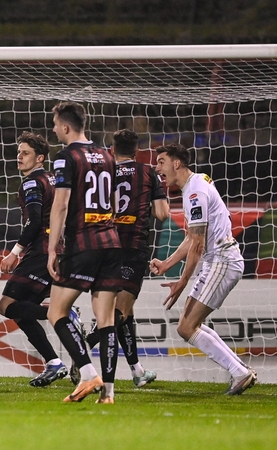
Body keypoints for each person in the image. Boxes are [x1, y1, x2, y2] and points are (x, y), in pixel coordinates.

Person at [150, 143, 256, 395]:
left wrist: (182, 281)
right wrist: (167, 264)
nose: (157, 168)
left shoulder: (195, 192)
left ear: (177, 163)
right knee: (186, 326)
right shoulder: (195, 184)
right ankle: (240, 370)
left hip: (222, 260)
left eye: (162, 162)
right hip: (216, 260)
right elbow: (192, 237)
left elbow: (197, 244)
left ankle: (239, 372)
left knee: (188, 327)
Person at [80, 129, 169, 388]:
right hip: (133, 245)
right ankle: (85, 345)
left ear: (112, 150)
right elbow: (162, 214)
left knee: (125, 311)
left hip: (104, 245)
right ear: (136, 151)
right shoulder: (148, 173)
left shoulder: (103, 172)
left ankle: (137, 371)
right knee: (120, 309)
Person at [46, 101, 122, 404]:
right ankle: (109, 394)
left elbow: (61, 205)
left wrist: (53, 248)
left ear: (66, 126)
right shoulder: (108, 155)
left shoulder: (66, 157)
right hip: (111, 242)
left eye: (55, 124)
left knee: (56, 312)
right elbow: (113, 202)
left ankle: (89, 374)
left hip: (83, 243)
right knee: (107, 321)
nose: (54, 129)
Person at [0, 131, 83, 388]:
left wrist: (14, 253)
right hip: (61, 249)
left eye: (25, 153)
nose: (19, 157)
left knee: (7, 306)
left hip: (42, 251)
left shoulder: (32, 183)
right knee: (23, 311)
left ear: (40, 158)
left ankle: (67, 315)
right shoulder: (54, 180)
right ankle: (54, 363)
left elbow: (34, 221)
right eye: (18, 152)